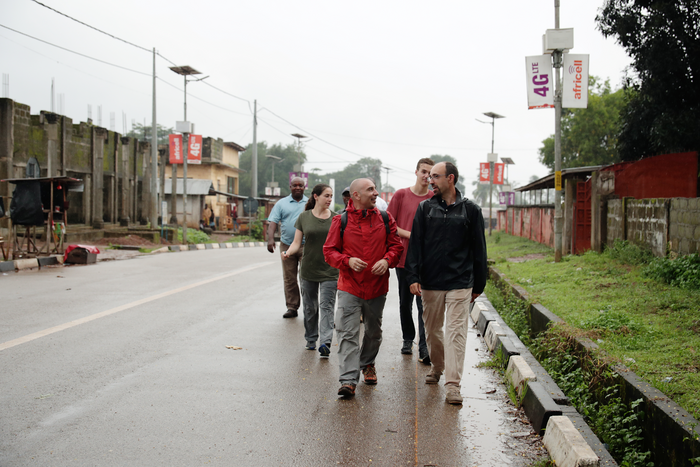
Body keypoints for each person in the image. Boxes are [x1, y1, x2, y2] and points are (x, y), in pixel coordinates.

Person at [404, 162, 487, 405]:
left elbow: (479, 249)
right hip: (430, 281)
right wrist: (413, 276)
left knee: (456, 333)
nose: (431, 181)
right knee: (432, 330)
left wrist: (478, 285)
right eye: (430, 176)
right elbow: (416, 244)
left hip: (460, 281)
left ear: (450, 178)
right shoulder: (425, 208)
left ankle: (453, 385)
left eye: (436, 177)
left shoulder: (471, 210)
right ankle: (437, 367)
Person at [323, 178, 403, 398]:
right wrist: (347, 261)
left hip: (377, 287)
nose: (376, 193)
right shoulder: (341, 221)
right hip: (349, 286)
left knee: (373, 331)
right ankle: (348, 380)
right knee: (347, 332)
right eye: (370, 190)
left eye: (375, 189)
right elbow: (329, 251)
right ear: (356, 195)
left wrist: (387, 260)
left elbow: (396, 246)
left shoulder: (386, 219)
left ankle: (367, 363)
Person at [387, 157, 434, 363]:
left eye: (431, 174)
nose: (427, 176)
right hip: (404, 258)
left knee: (424, 303)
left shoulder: (434, 198)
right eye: (424, 171)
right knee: (405, 302)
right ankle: (408, 339)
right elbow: (389, 224)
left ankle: (424, 346)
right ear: (416, 172)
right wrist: (412, 234)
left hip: (426, 260)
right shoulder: (401, 195)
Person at [283, 184, 338, 356]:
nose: (329, 199)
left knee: (327, 306)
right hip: (308, 269)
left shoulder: (337, 219)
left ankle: (325, 342)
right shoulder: (304, 217)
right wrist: (288, 252)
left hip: (330, 270)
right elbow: (296, 243)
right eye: (326, 196)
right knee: (310, 307)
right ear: (316, 196)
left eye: (331, 196)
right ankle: (311, 339)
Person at [267, 177, 308, 319]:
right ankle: (292, 307)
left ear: (304, 187)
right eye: (295, 185)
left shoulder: (310, 203)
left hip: (306, 245)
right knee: (289, 278)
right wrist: (270, 239)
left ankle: (309, 308)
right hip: (286, 244)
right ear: (290, 187)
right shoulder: (281, 203)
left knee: (306, 277)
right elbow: (273, 222)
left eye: (300, 185)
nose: (298, 187)